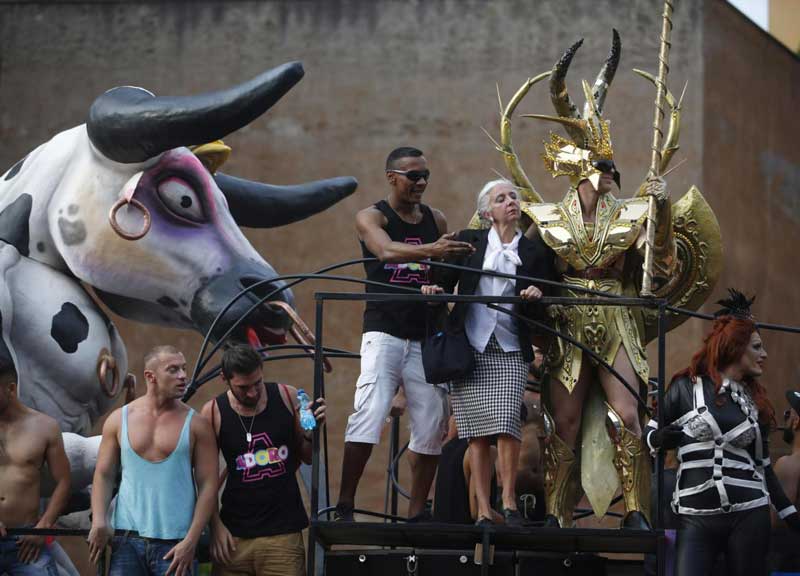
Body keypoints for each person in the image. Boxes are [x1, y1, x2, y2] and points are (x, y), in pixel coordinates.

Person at [488, 32, 724, 530]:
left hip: (618, 313)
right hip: (569, 316)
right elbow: (530, 266)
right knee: (563, 423)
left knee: (627, 416)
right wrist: (532, 308)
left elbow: (655, 270)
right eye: (600, 167)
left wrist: (659, 213)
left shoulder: (633, 214)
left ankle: (635, 510)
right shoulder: (550, 218)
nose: (608, 174)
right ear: (581, 172)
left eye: (610, 168)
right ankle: (556, 512)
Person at [335, 146, 474, 522]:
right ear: (392, 177)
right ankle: (345, 504)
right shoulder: (371, 216)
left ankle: (416, 513)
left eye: (425, 175)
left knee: (431, 421)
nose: (422, 182)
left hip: (425, 333)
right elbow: (384, 252)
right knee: (371, 409)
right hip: (383, 329)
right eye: (414, 175)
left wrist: (442, 284)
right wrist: (432, 250)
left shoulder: (436, 219)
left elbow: (440, 273)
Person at [424, 178, 554, 525]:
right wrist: (436, 286)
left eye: (513, 196)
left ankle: (508, 502)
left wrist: (535, 296)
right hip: (470, 348)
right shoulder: (470, 243)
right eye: (501, 198)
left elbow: (546, 301)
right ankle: (483, 508)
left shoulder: (532, 253)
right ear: (486, 211)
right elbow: (444, 278)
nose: (510, 201)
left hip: (511, 347)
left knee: (508, 423)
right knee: (476, 433)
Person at [644, 291, 800, 576]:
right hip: (695, 515)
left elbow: (764, 468)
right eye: (756, 347)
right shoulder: (685, 387)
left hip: (750, 512)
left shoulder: (757, 402)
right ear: (734, 346)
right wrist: (660, 439)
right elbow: (648, 435)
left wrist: (791, 515)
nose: (764, 355)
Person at [88, 346, 218, 576]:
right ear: (151, 376)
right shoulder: (119, 419)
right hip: (127, 540)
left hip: (176, 544)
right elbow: (103, 474)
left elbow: (208, 484)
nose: (182, 376)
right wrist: (99, 520)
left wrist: (192, 540)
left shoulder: (197, 424)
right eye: (173, 370)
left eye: (184, 369)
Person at [200, 345, 325, 576]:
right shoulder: (213, 412)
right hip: (233, 538)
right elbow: (204, 479)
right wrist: (215, 528)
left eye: (257, 383)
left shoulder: (286, 396)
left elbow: (307, 457)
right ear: (224, 378)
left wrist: (311, 432)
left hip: (283, 536)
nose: (252, 393)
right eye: (243, 387)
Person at [0, 366, 70, 575]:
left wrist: (44, 525)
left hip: (25, 540)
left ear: (10, 389)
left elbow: (64, 482)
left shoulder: (45, 427)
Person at [769, 389, 800, 572]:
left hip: (790, 562)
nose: (785, 421)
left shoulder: (789, 464)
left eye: (787, 415)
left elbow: (775, 522)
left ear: (796, 422)